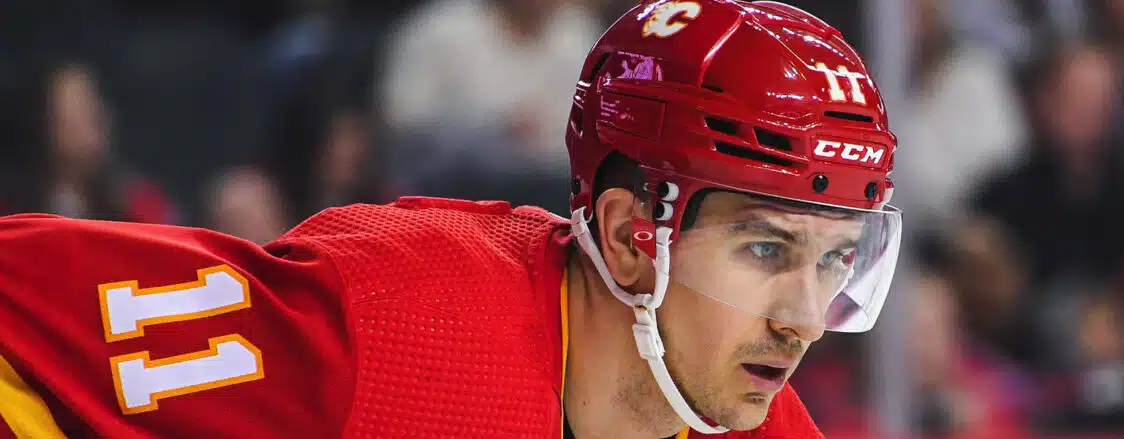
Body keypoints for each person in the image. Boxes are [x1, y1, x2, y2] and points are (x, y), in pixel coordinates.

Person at [0, 1, 902, 438]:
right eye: (766, 248)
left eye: (836, 259)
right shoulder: (396, 329)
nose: (803, 318)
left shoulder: (762, 420)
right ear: (633, 237)